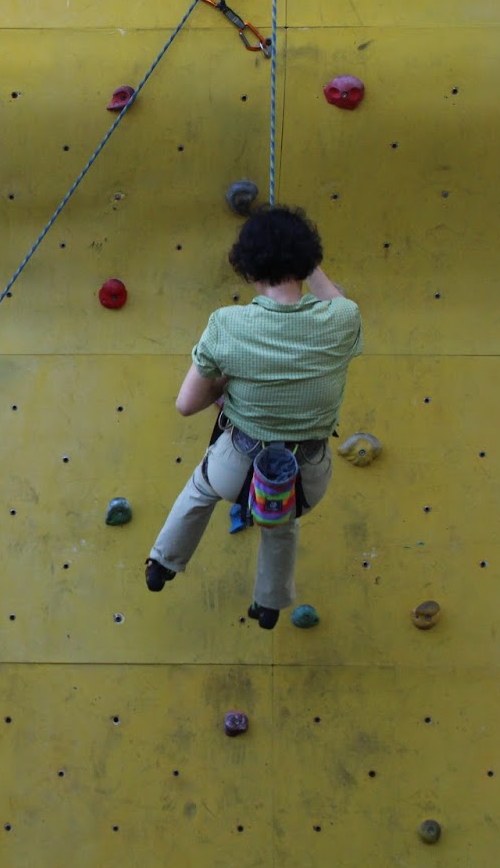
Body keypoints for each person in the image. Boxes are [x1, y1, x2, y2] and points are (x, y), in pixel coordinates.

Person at [144, 206, 363, 627]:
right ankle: (269, 604)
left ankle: (163, 563)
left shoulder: (228, 325)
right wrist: (307, 260)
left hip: (236, 465)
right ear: (307, 260)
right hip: (305, 478)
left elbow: (186, 404)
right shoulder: (342, 321)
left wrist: (223, 386)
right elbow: (335, 300)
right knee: (280, 522)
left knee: (201, 487)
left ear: (247, 266)